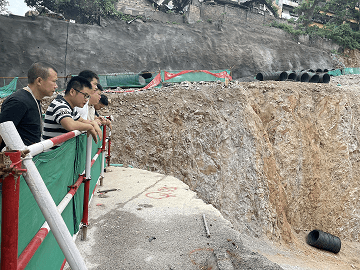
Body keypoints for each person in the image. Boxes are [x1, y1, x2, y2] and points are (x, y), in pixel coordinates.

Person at [0, 62, 58, 148]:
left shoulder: (33, 99)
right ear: (39, 81)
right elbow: (1, 134)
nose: (56, 86)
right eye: (53, 81)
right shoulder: (19, 102)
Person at [42, 76, 102, 148]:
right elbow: (70, 125)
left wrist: (93, 123)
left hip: (61, 155)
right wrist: (89, 127)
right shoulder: (60, 105)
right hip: (52, 156)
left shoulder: (72, 108)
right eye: (85, 95)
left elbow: (82, 121)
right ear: (72, 92)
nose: (86, 100)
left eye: (88, 96)